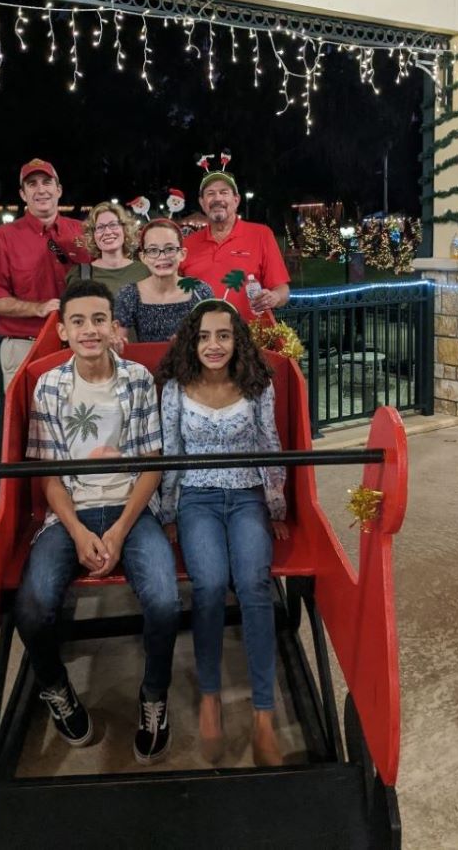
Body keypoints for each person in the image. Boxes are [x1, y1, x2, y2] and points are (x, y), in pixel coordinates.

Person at [15, 280, 181, 764]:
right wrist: (79, 531)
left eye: (99, 320)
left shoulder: (137, 379)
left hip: (132, 509)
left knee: (165, 602)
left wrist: (119, 530)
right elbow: (49, 476)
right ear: (63, 331)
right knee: (32, 606)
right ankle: (56, 688)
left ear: (113, 327)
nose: (90, 330)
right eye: (79, 321)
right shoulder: (49, 386)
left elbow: (152, 464)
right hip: (71, 513)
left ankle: (154, 696)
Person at [157, 299, 289, 766]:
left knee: (254, 585)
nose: (214, 345)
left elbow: (269, 443)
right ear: (192, 343)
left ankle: (263, 713)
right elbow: (171, 450)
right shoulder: (176, 387)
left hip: (247, 494)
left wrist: (275, 503)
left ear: (237, 341)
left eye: (224, 335)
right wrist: (168, 511)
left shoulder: (256, 384)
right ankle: (210, 696)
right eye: (204, 337)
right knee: (210, 585)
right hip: (197, 497)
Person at [0, 158, 90, 388]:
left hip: (80, 344)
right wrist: (38, 308)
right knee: (28, 412)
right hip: (26, 347)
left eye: (47, 182)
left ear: (58, 190)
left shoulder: (82, 232)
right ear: (23, 194)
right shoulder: (4, 237)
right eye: (32, 184)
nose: (41, 190)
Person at [182, 171, 290, 320]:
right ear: (202, 202)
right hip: (202, 333)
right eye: (210, 193)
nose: (217, 198)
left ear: (236, 200)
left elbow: (283, 290)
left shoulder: (261, 234)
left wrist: (275, 297)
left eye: (224, 192)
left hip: (251, 332)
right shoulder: (187, 244)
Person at [115, 218, 213, 343]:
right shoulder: (130, 294)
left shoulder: (200, 291)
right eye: (153, 250)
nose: (162, 257)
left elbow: (212, 338)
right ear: (143, 257)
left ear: (182, 254)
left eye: (170, 249)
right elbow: (117, 345)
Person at [66, 201, 149, 298]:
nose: (107, 232)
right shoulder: (79, 274)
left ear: (125, 229)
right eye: (100, 227)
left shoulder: (145, 272)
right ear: (93, 235)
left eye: (113, 225)